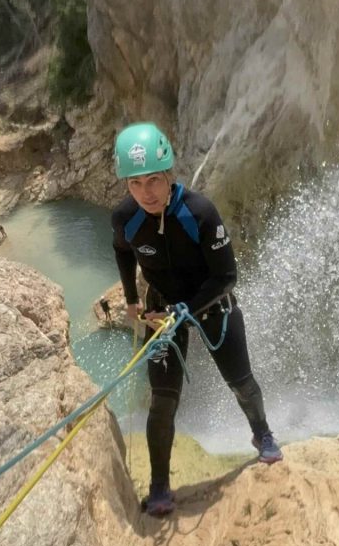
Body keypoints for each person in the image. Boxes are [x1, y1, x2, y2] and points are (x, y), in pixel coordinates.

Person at [111, 122, 283, 518]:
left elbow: (226, 276)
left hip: (212, 305)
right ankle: (159, 486)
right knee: (162, 401)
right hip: (161, 311)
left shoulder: (200, 212)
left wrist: (183, 310)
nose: (146, 193)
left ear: (169, 174)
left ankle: (262, 433)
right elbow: (120, 249)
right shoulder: (125, 217)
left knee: (240, 382)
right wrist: (132, 299)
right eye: (135, 184)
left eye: (154, 180)